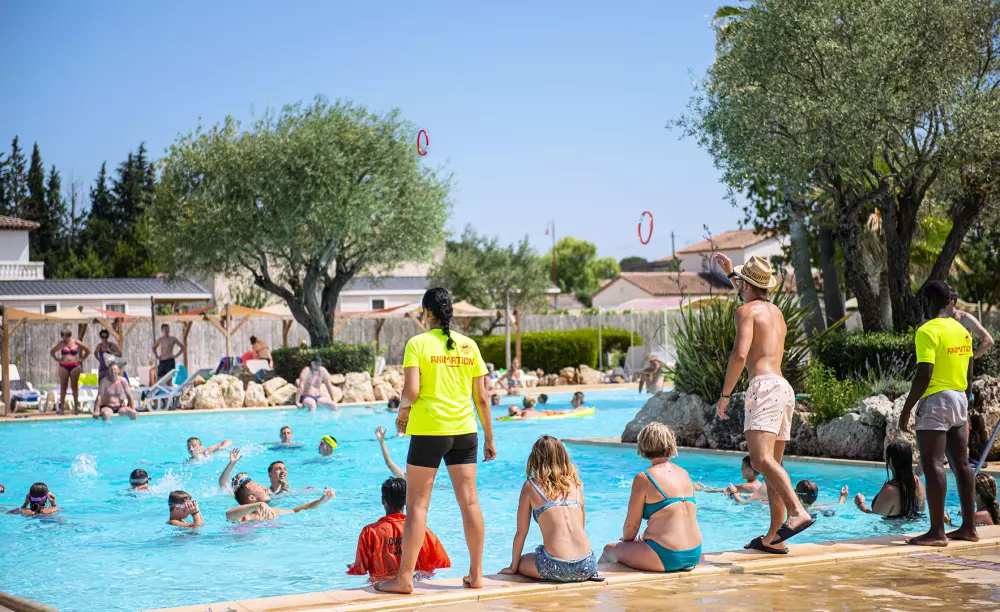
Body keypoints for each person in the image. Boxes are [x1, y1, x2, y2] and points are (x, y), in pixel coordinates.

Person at [375, 288, 496, 594]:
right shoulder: (469, 346)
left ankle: (404, 579)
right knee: (470, 502)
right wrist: (489, 438)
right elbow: (482, 398)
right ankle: (476, 574)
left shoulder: (418, 343)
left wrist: (402, 413)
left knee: (417, 505)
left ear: (426, 312)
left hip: (430, 431)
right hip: (465, 432)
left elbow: (411, 391)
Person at [713, 253, 813, 552]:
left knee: (759, 461)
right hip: (783, 387)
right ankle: (774, 539)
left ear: (745, 284)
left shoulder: (745, 311)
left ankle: (797, 512)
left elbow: (739, 355)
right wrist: (732, 274)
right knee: (772, 467)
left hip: (764, 386)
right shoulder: (776, 313)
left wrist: (725, 395)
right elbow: (751, 299)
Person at [898, 280, 978, 546]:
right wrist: (964, 401)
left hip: (936, 400)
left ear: (928, 302)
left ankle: (937, 532)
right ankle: (969, 528)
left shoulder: (927, 331)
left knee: (933, 464)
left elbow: (925, 373)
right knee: (962, 465)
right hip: (960, 398)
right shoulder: (962, 331)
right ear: (949, 302)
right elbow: (969, 372)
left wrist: (907, 409)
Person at [600, 423, 702, 571]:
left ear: (643, 444)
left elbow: (631, 527)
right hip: (694, 554)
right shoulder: (684, 474)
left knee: (609, 550)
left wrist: (627, 542)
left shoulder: (644, 478)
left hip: (667, 555)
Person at [499, 435, 598, 582]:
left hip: (556, 566)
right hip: (587, 565)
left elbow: (521, 532)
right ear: (563, 457)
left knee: (522, 560)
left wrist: (514, 567)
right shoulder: (576, 485)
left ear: (535, 458)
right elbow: (581, 527)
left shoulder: (531, 486)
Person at [347, 477, 451, 576]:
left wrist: (352, 567)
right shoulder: (422, 530)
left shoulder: (370, 533)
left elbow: (360, 570)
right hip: (417, 584)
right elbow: (443, 564)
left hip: (383, 585)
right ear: (406, 500)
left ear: (383, 500)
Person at [855, 440, 925, 519]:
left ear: (891, 461)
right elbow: (921, 511)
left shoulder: (889, 490)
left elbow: (874, 518)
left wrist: (860, 504)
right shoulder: (918, 482)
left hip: (891, 527)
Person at [226, 477, 334, 522]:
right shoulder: (246, 517)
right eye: (259, 486)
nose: (264, 488)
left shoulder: (274, 511)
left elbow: (298, 510)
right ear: (252, 498)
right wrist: (259, 505)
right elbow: (229, 515)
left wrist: (321, 501)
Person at [50, 328, 91, 415]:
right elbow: (52, 352)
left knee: (74, 387)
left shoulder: (76, 342)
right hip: (63, 366)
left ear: (69, 336)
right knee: (63, 387)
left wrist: (82, 359)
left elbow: (88, 350)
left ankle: (76, 407)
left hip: (74, 366)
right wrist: (57, 359)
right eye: (62, 336)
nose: (63, 338)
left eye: (64, 336)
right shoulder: (61, 344)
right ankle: (61, 408)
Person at [948, 289, 994, 359]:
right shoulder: (938, 318)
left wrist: (972, 358)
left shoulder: (965, 318)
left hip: (961, 364)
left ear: (951, 302)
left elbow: (988, 340)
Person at [695, 455, 762, 495]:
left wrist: (700, 490)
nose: (741, 469)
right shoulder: (762, 486)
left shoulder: (745, 486)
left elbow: (723, 491)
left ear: (749, 470)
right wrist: (706, 487)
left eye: (742, 467)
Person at [503, 396, 591, 420]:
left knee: (564, 412)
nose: (514, 414)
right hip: (543, 412)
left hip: (547, 414)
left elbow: (522, 419)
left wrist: (512, 418)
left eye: (514, 412)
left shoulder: (526, 413)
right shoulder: (523, 410)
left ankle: (580, 408)